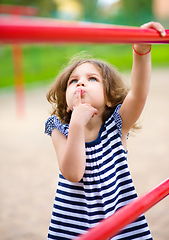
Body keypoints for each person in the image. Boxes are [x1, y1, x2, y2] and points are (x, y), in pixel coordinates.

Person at [45, 22, 166, 240]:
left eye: (91, 79)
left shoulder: (117, 125)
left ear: (109, 97)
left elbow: (138, 94)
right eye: (74, 81)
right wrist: (76, 125)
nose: (81, 84)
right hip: (74, 226)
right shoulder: (58, 128)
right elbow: (73, 173)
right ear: (66, 98)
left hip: (120, 223)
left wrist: (141, 50)